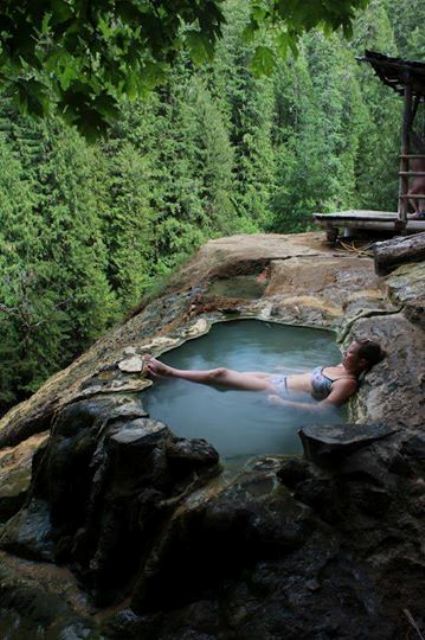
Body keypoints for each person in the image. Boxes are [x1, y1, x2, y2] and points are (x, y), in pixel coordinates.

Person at [146, 338, 385, 412]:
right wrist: (283, 371)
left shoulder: (347, 383)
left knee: (221, 374)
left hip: (277, 391)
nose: (346, 352)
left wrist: (284, 403)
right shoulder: (342, 367)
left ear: (362, 362)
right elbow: (309, 379)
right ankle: (173, 382)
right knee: (223, 382)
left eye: (351, 352)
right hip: (274, 378)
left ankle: (170, 372)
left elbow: (324, 408)